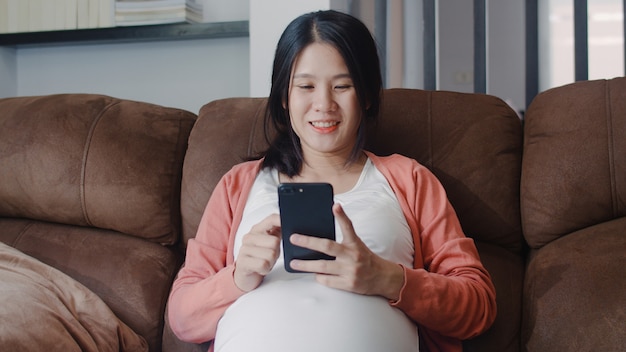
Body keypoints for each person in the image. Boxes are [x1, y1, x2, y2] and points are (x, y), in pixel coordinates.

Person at [168, 9, 496, 352]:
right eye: (306, 86)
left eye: (342, 86)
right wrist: (237, 277)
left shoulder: (410, 180)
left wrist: (387, 278)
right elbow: (182, 318)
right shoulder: (239, 185)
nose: (323, 104)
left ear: (366, 95)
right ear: (284, 96)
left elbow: (478, 306)